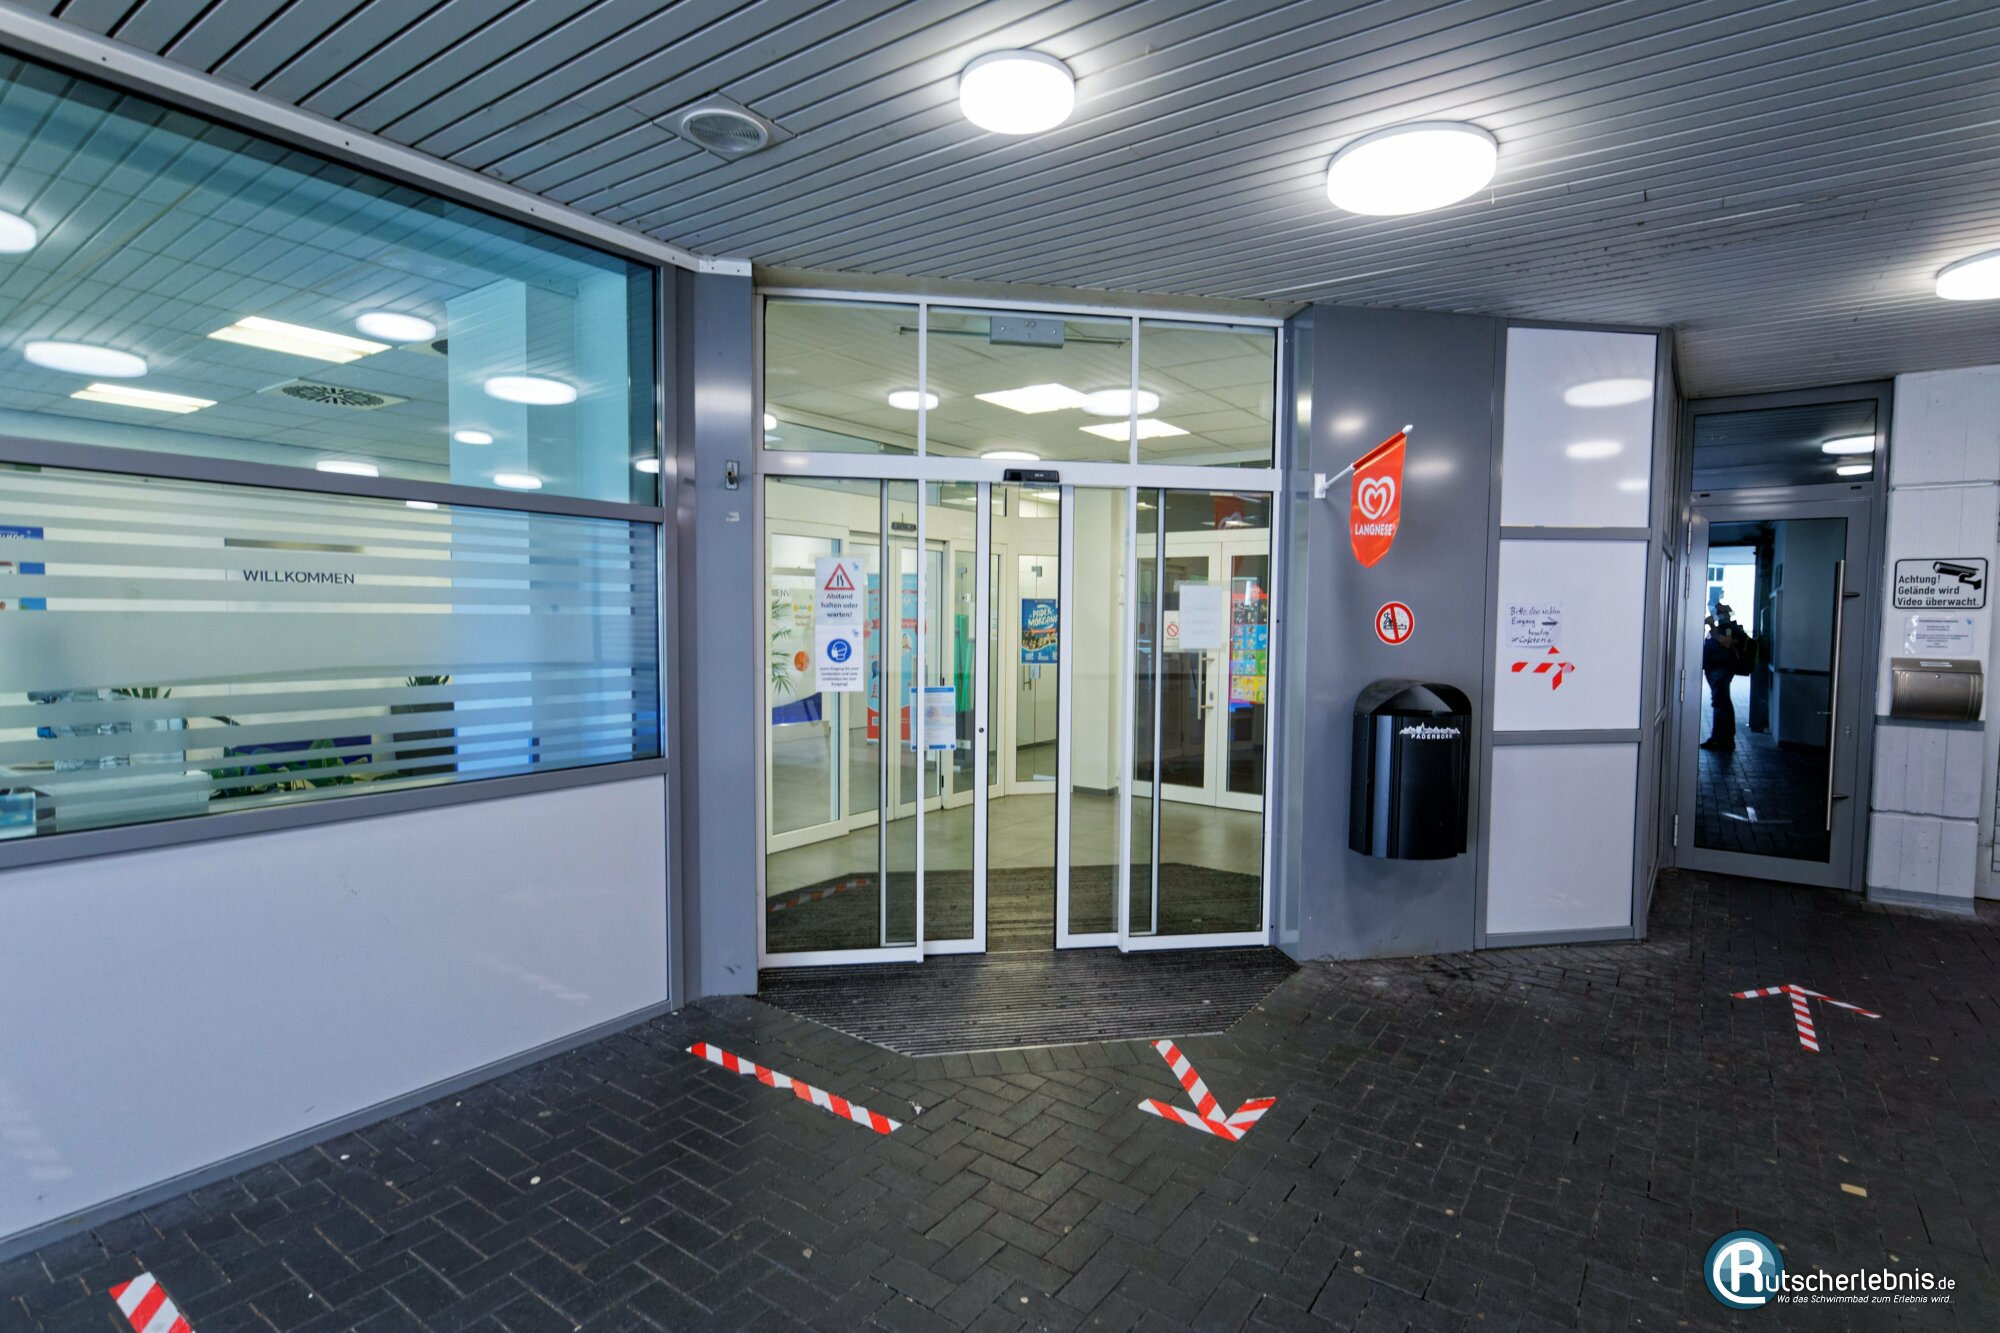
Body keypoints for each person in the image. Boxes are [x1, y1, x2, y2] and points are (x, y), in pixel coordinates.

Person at [1701, 603, 1749, 750]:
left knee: (1721, 703)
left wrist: (1711, 626)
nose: (1717, 615)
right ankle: (1721, 737)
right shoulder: (1723, 628)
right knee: (1720, 702)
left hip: (1721, 670)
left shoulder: (1730, 628)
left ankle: (1723, 738)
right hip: (1715, 669)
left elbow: (1725, 642)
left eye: (1720, 613)